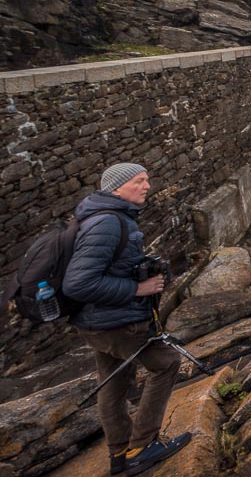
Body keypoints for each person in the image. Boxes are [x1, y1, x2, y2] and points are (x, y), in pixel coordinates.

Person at [64, 163, 193, 476]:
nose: (147, 186)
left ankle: (119, 451)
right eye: (139, 181)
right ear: (116, 188)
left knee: (114, 380)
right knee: (166, 363)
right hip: (117, 323)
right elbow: (78, 283)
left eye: (147, 179)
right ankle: (143, 445)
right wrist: (138, 287)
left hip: (97, 323)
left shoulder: (99, 216)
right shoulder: (108, 222)